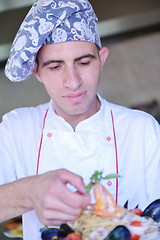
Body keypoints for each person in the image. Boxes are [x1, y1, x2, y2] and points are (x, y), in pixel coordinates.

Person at [1, 0, 160, 239]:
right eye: (55, 67)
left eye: (84, 63)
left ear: (102, 59)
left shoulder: (142, 128)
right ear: (37, 72)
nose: (73, 82)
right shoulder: (17, 129)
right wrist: (29, 192)